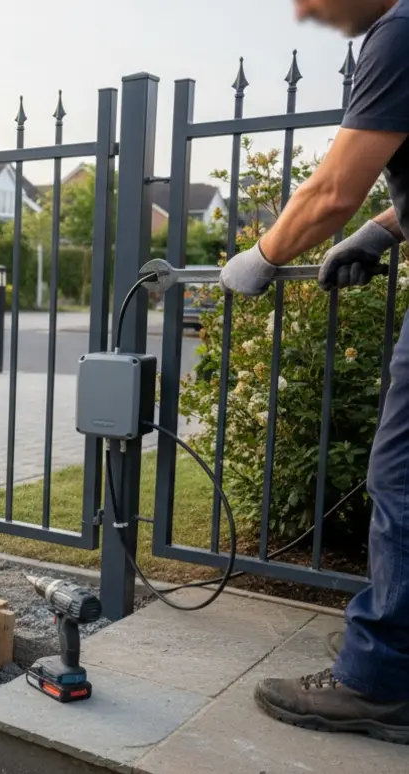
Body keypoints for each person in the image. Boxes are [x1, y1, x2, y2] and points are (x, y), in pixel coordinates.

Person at [219, 0, 409, 744]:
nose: (304, 10)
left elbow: (333, 186)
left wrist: (263, 255)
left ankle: (380, 682)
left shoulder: (400, 31)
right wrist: (385, 230)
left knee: (401, 478)